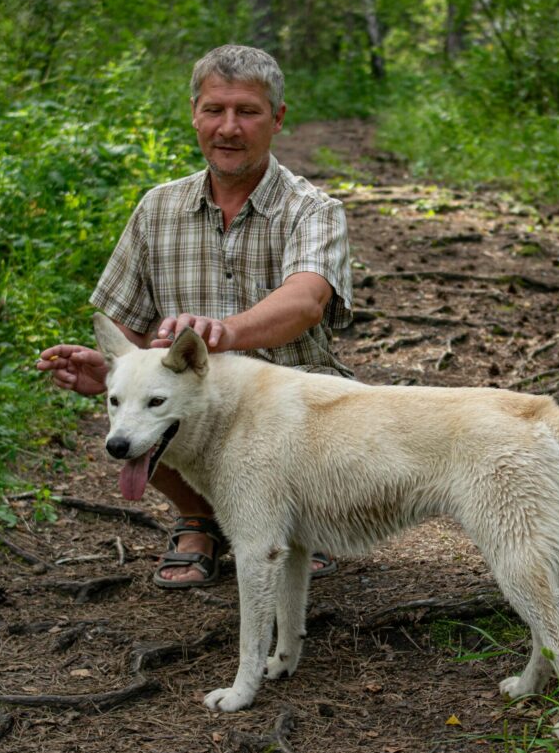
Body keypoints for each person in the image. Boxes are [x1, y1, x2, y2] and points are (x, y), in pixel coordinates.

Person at [37, 44, 353, 588]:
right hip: (198, 415)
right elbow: (131, 336)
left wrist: (225, 333)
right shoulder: (157, 208)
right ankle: (200, 519)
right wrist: (107, 372)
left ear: (277, 118)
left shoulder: (312, 209)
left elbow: (306, 301)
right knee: (152, 406)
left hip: (293, 420)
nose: (228, 128)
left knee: (285, 412)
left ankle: (301, 525)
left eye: (247, 112)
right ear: (194, 114)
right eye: (214, 110)